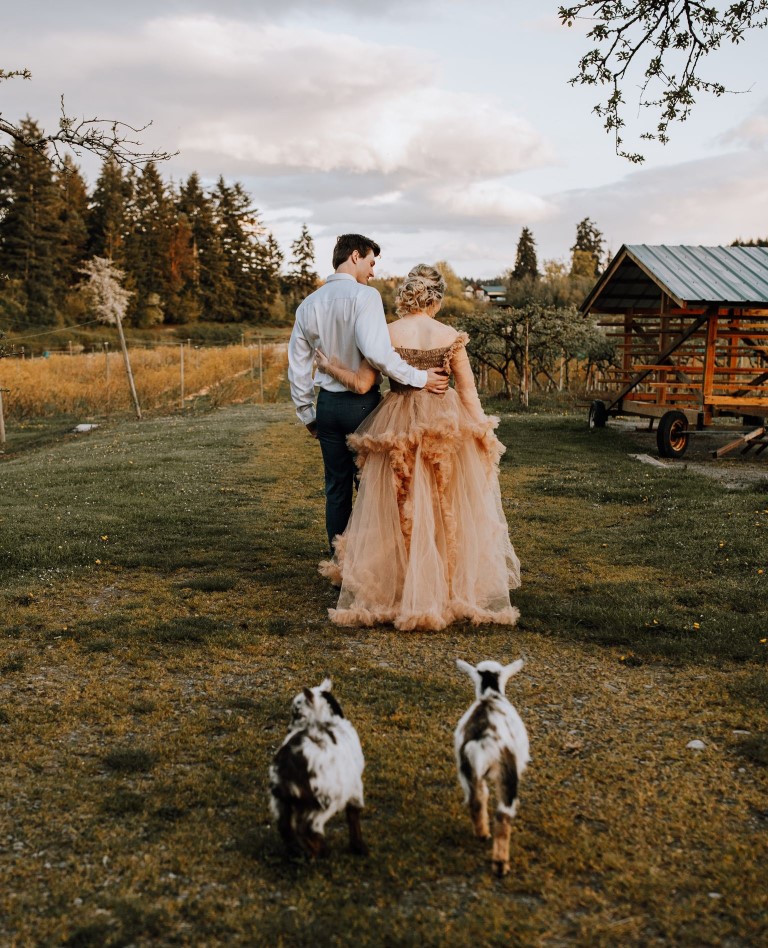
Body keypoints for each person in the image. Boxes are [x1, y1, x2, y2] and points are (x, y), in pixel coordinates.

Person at [315, 264, 521, 631]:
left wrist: (329, 367)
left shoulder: (388, 332)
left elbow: (363, 383)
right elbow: (468, 390)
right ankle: (439, 585)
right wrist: (481, 431)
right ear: (436, 298)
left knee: (398, 504)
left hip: (398, 418)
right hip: (445, 419)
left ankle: (401, 585)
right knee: (444, 504)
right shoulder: (449, 336)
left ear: (406, 295)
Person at [288, 235, 449, 553]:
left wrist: (307, 414)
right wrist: (420, 378)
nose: (373, 272)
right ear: (355, 256)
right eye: (371, 263)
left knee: (336, 489)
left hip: (328, 407)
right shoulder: (365, 297)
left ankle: (339, 564)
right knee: (372, 490)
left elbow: (297, 366)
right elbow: (377, 354)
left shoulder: (309, 305)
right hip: (363, 407)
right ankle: (367, 568)